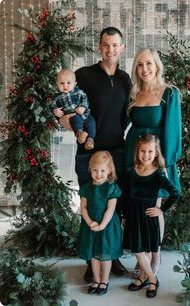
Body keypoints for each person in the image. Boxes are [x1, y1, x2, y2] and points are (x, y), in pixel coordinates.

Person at [59, 27, 132, 282]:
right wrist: (70, 125)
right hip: (88, 153)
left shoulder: (125, 79)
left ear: (122, 47)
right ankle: (92, 261)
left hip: (116, 152)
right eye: (105, 44)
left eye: (115, 45)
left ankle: (112, 257)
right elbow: (64, 107)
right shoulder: (84, 76)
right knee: (91, 205)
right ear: (99, 47)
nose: (110, 49)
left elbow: (127, 115)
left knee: (115, 208)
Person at [124, 47, 182, 276]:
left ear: (157, 66)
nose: (144, 69)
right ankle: (143, 256)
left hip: (155, 159)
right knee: (137, 208)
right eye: (140, 64)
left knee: (154, 209)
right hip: (134, 156)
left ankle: (155, 257)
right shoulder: (134, 93)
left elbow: (173, 130)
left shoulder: (169, 93)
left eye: (149, 63)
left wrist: (164, 163)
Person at [123, 134, 180, 298]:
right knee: (138, 250)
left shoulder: (158, 174)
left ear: (156, 153)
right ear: (137, 151)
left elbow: (175, 193)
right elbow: (127, 195)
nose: (145, 155)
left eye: (149, 151)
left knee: (145, 250)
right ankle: (150, 277)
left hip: (149, 217)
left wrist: (162, 210)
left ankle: (148, 278)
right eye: (142, 151)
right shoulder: (132, 171)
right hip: (134, 216)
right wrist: (125, 215)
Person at [76, 151, 122, 295]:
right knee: (94, 255)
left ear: (109, 171)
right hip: (90, 224)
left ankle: (104, 280)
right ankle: (96, 279)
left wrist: (101, 225)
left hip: (106, 225)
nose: (99, 174)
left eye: (102, 170)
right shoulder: (86, 187)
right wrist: (90, 222)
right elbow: (82, 207)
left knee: (105, 254)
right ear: (90, 170)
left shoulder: (111, 188)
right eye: (95, 170)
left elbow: (110, 209)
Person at [52, 69, 96, 150]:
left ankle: (90, 139)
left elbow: (84, 99)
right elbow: (52, 105)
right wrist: (55, 110)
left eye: (68, 83)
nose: (65, 86)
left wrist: (83, 107)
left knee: (91, 122)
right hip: (73, 115)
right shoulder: (56, 97)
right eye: (62, 83)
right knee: (76, 120)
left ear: (75, 84)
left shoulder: (79, 92)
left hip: (85, 114)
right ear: (57, 84)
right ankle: (79, 134)